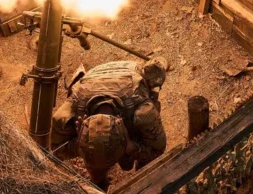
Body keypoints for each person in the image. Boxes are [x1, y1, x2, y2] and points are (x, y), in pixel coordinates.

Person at [51, 57, 168, 190]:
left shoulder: (143, 113)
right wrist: (80, 142)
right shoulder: (69, 113)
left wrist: (131, 147)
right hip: (94, 78)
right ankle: (99, 182)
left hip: (129, 74)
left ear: (122, 123)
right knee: (94, 154)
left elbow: (157, 151)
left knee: (147, 161)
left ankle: (143, 179)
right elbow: (56, 151)